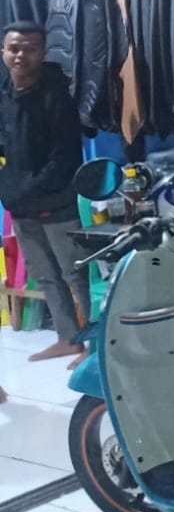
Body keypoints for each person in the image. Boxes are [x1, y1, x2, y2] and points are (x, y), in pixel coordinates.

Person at [0, 22, 91, 367]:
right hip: (21, 204)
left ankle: (95, 346)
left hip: (56, 201)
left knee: (76, 275)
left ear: (43, 53)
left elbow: (65, 158)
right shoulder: (6, 92)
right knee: (45, 275)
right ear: (3, 51)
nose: (20, 55)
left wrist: (26, 188)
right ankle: (68, 339)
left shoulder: (57, 96)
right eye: (14, 48)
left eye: (30, 49)